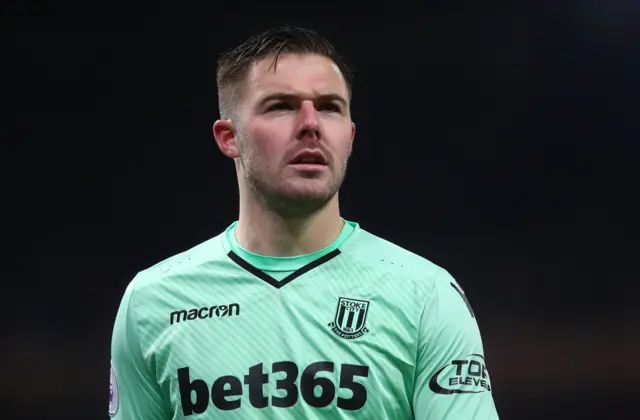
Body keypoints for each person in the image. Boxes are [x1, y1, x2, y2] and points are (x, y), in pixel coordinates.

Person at [109, 26, 500, 419]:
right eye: (281, 105)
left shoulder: (425, 294)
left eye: (330, 107)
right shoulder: (152, 301)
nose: (311, 124)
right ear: (229, 137)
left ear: (348, 136)